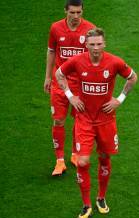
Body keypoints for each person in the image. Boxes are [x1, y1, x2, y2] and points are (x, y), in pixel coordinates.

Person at [55, 27, 138, 218]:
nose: (95, 48)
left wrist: (120, 99)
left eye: (99, 44)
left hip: (106, 120)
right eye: (92, 44)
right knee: (83, 162)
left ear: (104, 44)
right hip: (84, 120)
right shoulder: (77, 61)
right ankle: (86, 204)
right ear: (86, 45)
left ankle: (101, 197)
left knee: (103, 157)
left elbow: (133, 77)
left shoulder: (115, 62)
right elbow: (59, 74)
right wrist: (70, 96)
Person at [45, 0, 95, 176]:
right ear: (65, 11)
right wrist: (48, 77)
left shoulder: (90, 30)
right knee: (58, 120)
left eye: (79, 12)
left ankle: (74, 154)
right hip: (59, 83)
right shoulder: (55, 28)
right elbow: (51, 51)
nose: (75, 16)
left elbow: (93, 59)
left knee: (79, 120)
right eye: (72, 12)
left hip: (79, 86)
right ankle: (59, 161)